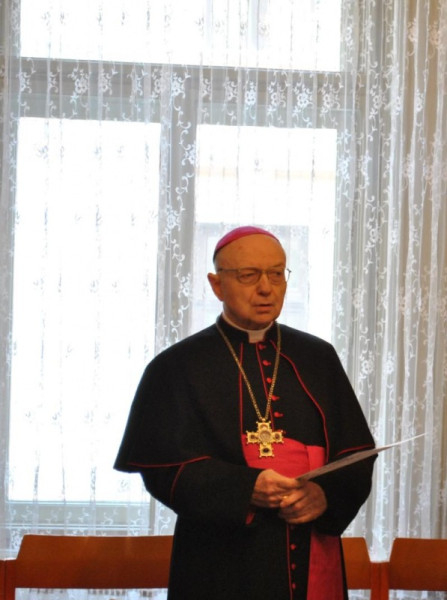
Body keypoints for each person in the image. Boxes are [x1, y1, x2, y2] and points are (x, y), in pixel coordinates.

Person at [114, 226, 376, 600]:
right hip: (218, 562)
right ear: (216, 285)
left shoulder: (318, 358)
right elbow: (164, 470)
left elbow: (356, 453)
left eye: (276, 273)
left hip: (310, 551)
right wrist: (245, 488)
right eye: (249, 275)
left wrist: (324, 494)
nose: (266, 288)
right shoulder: (177, 366)